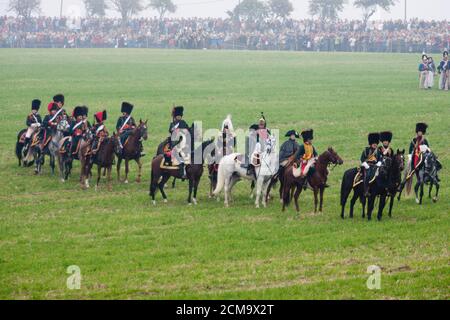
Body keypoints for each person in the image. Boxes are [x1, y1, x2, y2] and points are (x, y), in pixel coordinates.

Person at [168, 106, 190, 178]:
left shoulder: (183, 122)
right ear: (175, 117)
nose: (179, 117)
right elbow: (170, 131)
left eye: (180, 116)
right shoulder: (173, 124)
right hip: (175, 142)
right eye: (178, 116)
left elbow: (188, 129)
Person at [360, 132, 382, 197]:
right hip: (367, 166)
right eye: (374, 143)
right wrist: (366, 165)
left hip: (375, 166)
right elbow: (362, 159)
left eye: (376, 143)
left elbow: (380, 159)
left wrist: (379, 163)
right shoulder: (366, 150)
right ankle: (366, 190)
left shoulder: (378, 151)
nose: (375, 145)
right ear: (371, 144)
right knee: (368, 174)